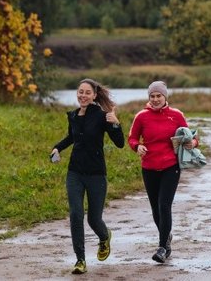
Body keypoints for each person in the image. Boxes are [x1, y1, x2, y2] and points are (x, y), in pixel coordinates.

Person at [50, 78, 125, 274]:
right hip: (75, 172)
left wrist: (116, 124)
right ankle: (80, 260)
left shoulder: (102, 116)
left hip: (96, 174)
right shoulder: (73, 116)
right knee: (75, 214)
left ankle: (104, 236)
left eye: (87, 92)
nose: (82, 95)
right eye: (80, 92)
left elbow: (119, 143)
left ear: (94, 95)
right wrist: (58, 147)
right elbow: (71, 137)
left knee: (93, 219)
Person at [127, 81, 198, 263]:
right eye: (152, 96)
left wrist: (193, 143)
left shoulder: (176, 115)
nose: (156, 99)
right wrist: (138, 147)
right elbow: (132, 138)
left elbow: (192, 137)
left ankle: (162, 248)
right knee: (155, 208)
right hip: (149, 167)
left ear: (165, 97)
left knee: (164, 205)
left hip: (170, 166)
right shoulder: (141, 116)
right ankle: (166, 236)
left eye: (159, 96)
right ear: (149, 98)